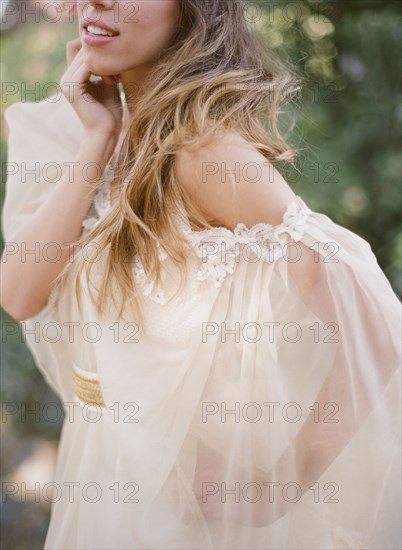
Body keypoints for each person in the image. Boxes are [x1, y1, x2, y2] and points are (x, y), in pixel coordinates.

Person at [1, 1, 401, 548]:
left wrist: (276, 487)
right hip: (105, 469)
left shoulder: (201, 151)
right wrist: (98, 141)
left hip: (181, 512)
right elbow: (20, 294)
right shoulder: (77, 127)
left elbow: (372, 325)